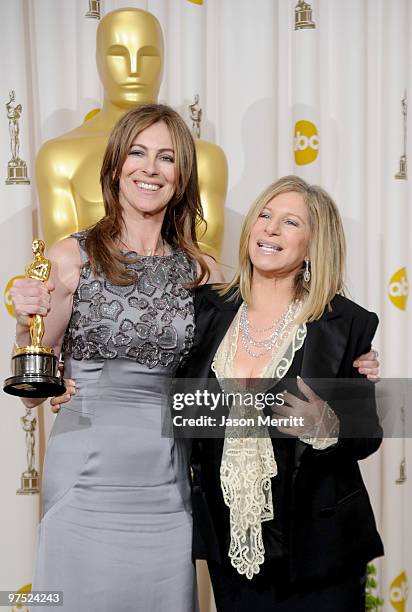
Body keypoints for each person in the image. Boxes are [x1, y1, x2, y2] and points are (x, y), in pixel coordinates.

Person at [10, 103, 222, 612]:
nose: (150, 168)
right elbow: (34, 377)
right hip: (86, 475)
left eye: (167, 158)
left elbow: (249, 355)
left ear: (183, 175)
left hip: (168, 486)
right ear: (115, 166)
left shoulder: (203, 272)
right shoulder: (70, 257)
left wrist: (353, 363)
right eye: (138, 153)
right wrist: (24, 319)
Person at [179, 175, 384, 611]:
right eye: (265, 216)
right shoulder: (206, 311)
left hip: (320, 553)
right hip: (231, 545)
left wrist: (329, 425)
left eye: (290, 222)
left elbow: (366, 438)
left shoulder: (344, 324)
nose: (270, 229)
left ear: (313, 246)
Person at [36, 7, 227, 258]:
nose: (134, 68)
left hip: (179, 295)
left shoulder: (205, 158)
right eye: (118, 54)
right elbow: (61, 265)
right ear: (98, 60)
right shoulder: (58, 157)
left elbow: (206, 263)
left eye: (148, 55)